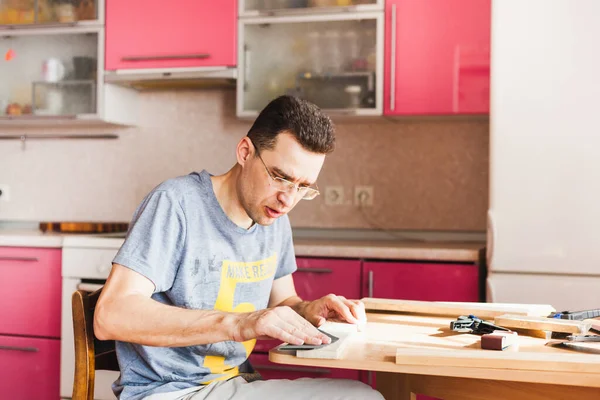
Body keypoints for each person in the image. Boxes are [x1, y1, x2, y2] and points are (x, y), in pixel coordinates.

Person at [94, 95, 384, 400]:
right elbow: (110, 315)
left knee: (363, 396)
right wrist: (239, 323)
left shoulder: (273, 218)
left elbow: (283, 300)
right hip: (167, 393)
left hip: (233, 386)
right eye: (280, 177)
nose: (288, 199)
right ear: (245, 152)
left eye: (303, 187)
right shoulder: (176, 204)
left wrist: (309, 311)